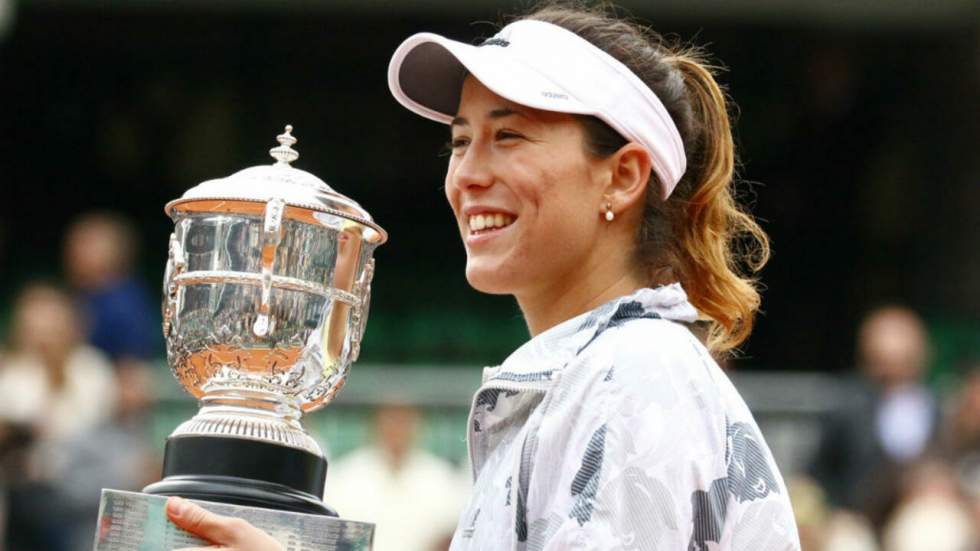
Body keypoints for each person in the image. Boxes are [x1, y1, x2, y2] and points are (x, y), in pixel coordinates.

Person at [168, 3, 801, 549]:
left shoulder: (633, 374)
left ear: (624, 175)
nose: (467, 174)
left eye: (510, 136)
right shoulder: (598, 372)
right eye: (460, 141)